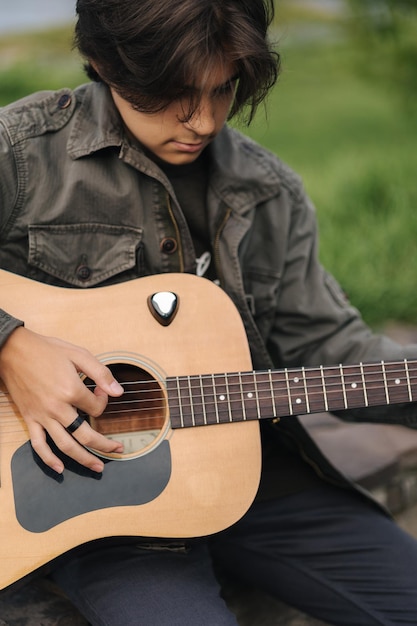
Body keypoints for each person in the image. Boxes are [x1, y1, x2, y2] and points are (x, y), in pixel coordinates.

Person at [1, 1, 417, 624]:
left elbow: (331, 348)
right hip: (96, 503)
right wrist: (14, 346)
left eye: (222, 89)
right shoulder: (24, 153)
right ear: (103, 63)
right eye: (172, 95)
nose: (203, 120)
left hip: (262, 478)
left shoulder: (268, 191)